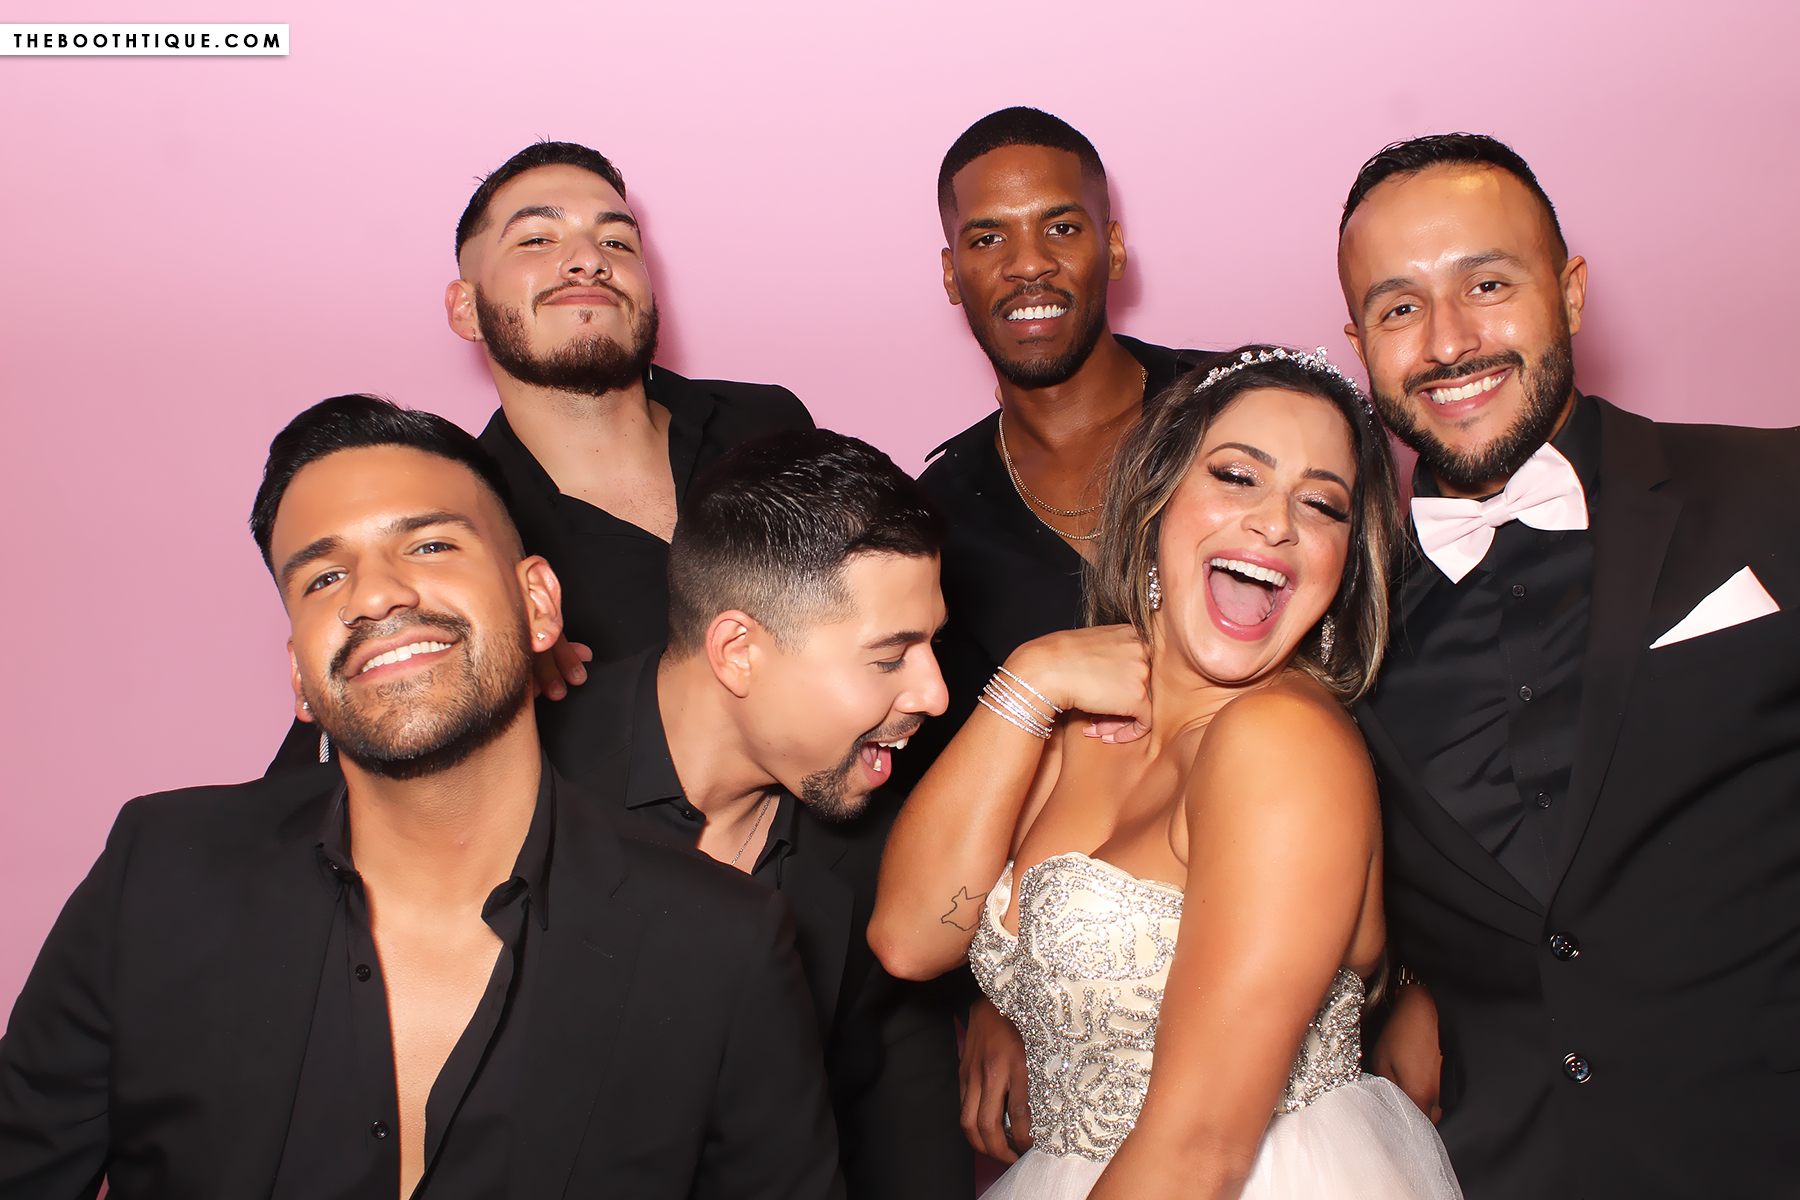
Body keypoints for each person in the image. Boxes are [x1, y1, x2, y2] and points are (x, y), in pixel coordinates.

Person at [0, 396, 840, 1200]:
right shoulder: (158, 874)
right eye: (324, 578)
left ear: (538, 602)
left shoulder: (721, 943)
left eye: (431, 546)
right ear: (298, 671)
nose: (374, 596)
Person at [871, 347, 1462, 1199]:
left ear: (1342, 567)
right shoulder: (1063, 715)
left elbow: (1200, 1149)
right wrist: (1028, 682)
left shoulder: (1284, 743)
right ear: (1157, 500)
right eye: (1236, 475)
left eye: (1321, 504)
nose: (1276, 524)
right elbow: (909, 938)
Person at [1340, 133, 1800, 1198]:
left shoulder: (1776, 488)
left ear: (1572, 292)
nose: (1449, 342)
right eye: (1399, 307)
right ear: (1358, 339)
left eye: (1487, 285)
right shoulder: (1339, 619)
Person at [268, 139, 811, 771]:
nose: (587, 261)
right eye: (536, 240)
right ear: (465, 308)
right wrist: (480, 667)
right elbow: (332, 769)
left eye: (617, 242)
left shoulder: (771, 422)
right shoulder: (453, 538)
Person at [537, 429, 972, 1199]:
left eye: (933, 646)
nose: (934, 695)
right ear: (737, 651)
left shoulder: (888, 853)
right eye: (889, 656)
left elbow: (909, 1141)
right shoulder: (519, 776)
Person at [903, 105, 1213, 1161]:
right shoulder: (934, 516)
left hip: (1287, 936)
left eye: (1061, 227)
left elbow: (1380, 693)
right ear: (950, 273)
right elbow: (966, 795)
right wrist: (998, 999)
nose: (1026, 265)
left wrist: (1403, 971)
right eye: (987, 238)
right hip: (1090, 998)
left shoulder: (1241, 416)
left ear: (1114, 245)